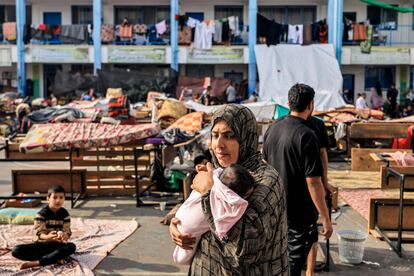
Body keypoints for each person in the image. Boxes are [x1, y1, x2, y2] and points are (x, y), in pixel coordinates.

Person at [170, 104, 289, 275]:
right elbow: (195, 209)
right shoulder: (216, 173)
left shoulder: (265, 182)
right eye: (215, 135)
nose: (218, 145)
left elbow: (243, 251)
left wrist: (208, 194)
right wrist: (178, 224)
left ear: (246, 138)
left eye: (229, 136)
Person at [263, 84, 333, 276]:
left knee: (277, 259)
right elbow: (313, 182)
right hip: (299, 213)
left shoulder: (272, 129)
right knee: (292, 265)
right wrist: (326, 218)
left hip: (275, 207)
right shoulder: (307, 135)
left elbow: (265, 166)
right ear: (311, 105)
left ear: (288, 103)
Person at [173, 164, 255, 265]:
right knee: (182, 258)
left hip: (182, 216)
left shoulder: (214, 176)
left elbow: (211, 168)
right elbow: (223, 226)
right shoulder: (224, 200)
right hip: (188, 230)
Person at [12, 185, 76, 270]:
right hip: (41, 246)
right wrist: (48, 237)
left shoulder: (65, 214)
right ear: (48, 199)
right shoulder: (41, 214)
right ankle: (54, 258)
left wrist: (64, 236)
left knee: (72, 247)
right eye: (55, 197)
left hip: (56, 246)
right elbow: (39, 233)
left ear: (64, 199)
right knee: (16, 250)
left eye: (61, 197)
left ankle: (35, 263)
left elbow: (67, 231)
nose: (58, 200)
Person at [305, 116, 337, 276]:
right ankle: (309, 271)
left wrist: (324, 181)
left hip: (296, 185)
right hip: (308, 184)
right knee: (310, 228)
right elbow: (313, 180)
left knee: (307, 227)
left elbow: (323, 154)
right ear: (310, 104)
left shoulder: (279, 125)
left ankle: (309, 270)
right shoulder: (315, 127)